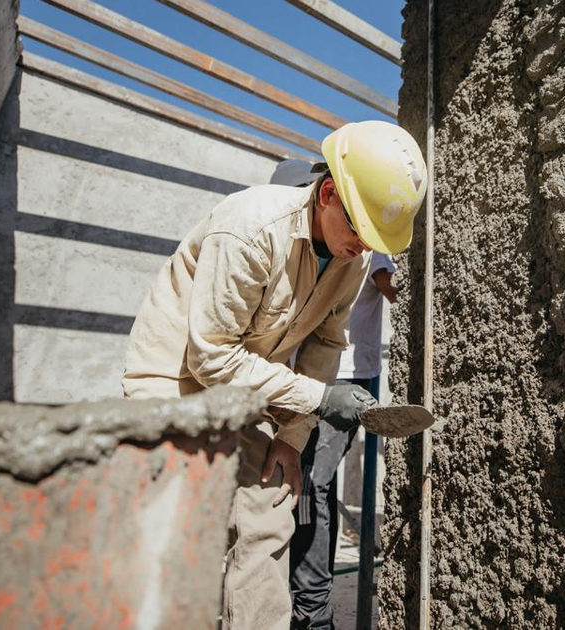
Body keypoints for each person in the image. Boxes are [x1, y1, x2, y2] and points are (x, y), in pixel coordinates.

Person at [121, 120, 427, 630]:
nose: (364, 247)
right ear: (328, 193)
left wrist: (292, 433)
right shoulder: (249, 229)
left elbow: (325, 344)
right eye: (360, 230)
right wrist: (319, 399)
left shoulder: (353, 261)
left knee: (270, 511)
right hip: (174, 379)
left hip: (246, 383)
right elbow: (211, 357)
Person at [289, 251, 395, 629]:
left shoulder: (371, 244)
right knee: (312, 485)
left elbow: (394, 286)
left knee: (311, 485)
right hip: (310, 375)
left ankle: (312, 614)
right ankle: (311, 605)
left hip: (347, 378)